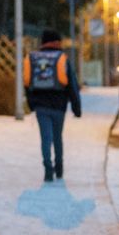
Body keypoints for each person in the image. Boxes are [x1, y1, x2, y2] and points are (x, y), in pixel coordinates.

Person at [23, 29, 82, 181]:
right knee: (57, 137)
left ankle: (48, 168)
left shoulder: (34, 59)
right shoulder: (62, 59)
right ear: (57, 42)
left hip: (40, 107)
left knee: (45, 138)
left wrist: (31, 104)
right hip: (59, 106)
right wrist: (76, 108)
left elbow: (27, 83)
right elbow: (72, 86)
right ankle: (59, 167)